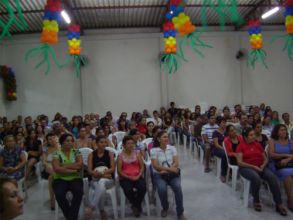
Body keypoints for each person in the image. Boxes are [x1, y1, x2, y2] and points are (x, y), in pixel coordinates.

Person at [235, 128, 287, 215]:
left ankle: (279, 204)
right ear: (245, 137)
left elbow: (265, 158)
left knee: (272, 177)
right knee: (256, 178)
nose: (253, 137)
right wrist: (253, 166)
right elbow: (239, 162)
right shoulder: (240, 146)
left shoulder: (257, 145)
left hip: (260, 166)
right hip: (246, 168)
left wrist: (263, 165)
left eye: (253, 134)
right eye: (251, 135)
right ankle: (256, 200)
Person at [151, 131, 186, 220]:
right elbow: (155, 165)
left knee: (178, 188)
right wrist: (169, 169)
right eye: (164, 137)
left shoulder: (172, 148)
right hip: (160, 174)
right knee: (162, 189)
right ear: (159, 139)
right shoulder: (154, 150)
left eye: (167, 137)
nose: (166, 139)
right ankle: (165, 207)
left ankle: (180, 212)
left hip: (172, 174)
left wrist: (168, 170)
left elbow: (176, 162)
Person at [52, 133, 83, 220]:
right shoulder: (57, 153)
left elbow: (80, 165)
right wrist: (73, 170)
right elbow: (56, 169)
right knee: (59, 193)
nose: (70, 143)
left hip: (75, 178)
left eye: (71, 141)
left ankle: (70, 217)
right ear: (62, 142)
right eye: (67, 141)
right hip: (60, 178)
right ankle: (71, 217)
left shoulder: (77, 152)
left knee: (79, 192)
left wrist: (63, 166)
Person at [85, 135, 115, 220]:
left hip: (108, 180)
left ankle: (92, 207)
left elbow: (112, 169)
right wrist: (104, 175)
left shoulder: (110, 154)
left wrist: (101, 174)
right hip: (95, 179)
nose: (104, 144)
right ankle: (102, 211)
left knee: (102, 182)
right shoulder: (91, 155)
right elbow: (90, 171)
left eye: (105, 142)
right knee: (101, 186)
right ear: (96, 143)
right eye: (101, 142)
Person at [117, 136, 146, 217]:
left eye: (132, 143)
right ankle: (137, 206)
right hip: (125, 178)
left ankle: (135, 205)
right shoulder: (120, 156)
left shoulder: (137, 153)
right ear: (124, 145)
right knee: (128, 189)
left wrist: (139, 175)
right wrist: (129, 177)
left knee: (143, 187)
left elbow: (142, 166)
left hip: (137, 176)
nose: (131, 145)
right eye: (128, 143)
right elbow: (119, 171)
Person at [268, 124, 293, 211]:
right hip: (276, 164)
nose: (284, 132)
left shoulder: (290, 141)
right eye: (281, 130)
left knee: (288, 173)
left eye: (285, 130)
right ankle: (290, 200)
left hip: (288, 163)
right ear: (277, 132)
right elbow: (271, 154)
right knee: (287, 175)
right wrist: (286, 155)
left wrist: (288, 159)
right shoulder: (272, 141)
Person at [42, 133, 59, 210]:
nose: (51, 140)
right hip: (49, 168)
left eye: (53, 138)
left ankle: (52, 199)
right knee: (49, 168)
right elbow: (44, 161)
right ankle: (52, 199)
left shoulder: (60, 147)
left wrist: (57, 146)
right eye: (49, 139)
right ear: (47, 141)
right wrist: (48, 164)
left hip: (58, 167)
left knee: (51, 178)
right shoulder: (46, 149)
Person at [212, 117, 227, 182]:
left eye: (225, 122)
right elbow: (216, 145)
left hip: (226, 148)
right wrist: (224, 149)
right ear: (219, 123)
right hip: (217, 149)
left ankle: (230, 171)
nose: (224, 124)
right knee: (224, 154)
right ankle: (223, 174)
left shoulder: (227, 132)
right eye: (223, 123)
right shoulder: (215, 132)